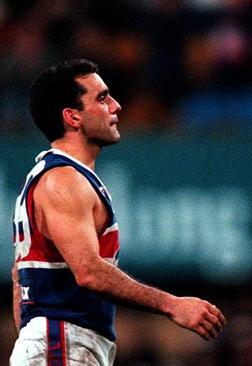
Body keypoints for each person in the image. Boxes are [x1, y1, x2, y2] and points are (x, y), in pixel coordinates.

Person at [10, 59, 227, 365]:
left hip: (58, 344)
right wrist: (171, 304)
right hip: (61, 343)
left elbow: (20, 277)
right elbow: (88, 272)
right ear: (73, 117)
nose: (116, 106)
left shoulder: (53, 177)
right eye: (101, 98)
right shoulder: (63, 180)